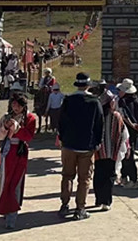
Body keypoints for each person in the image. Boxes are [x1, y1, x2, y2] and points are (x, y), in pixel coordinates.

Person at [58, 72, 103, 221]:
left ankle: (64, 204)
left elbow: (61, 122)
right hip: (87, 145)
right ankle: (80, 208)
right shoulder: (94, 102)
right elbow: (99, 124)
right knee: (84, 179)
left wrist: (62, 137)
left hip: (69, 144)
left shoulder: (68, 100)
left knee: (67, 176)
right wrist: (98, 142)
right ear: (88, 85)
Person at [0, 93, 36, 229]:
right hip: (7, 152)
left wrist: (17, 129)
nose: (16, 108)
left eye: (18, 105)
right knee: (4, 183)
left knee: (15, 184)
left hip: (19, 152)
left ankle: (12, 215)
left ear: (24, 106)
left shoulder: (30, 118)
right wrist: (5, 127)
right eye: (13, 104)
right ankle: (5, 209)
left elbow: (29, 136)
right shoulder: (6, 117)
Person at [94, 91, 128, 211]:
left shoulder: (96, 115)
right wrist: (123, 148)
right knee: (109, 176)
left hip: (98, 152)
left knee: (98, 175)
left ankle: (98, 199)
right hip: (112, 152)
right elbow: (123, 134)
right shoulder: (116, 116)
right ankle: (106, 201)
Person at [117, 78, 138, 188]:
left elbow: (124, 116)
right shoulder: (137, 100)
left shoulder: (122, 101)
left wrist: (132, 124)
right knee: (126, 154)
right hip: (135, 131)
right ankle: (124, 176)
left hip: (126, 131)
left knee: (128, 155)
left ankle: (133, 179)